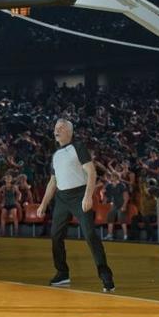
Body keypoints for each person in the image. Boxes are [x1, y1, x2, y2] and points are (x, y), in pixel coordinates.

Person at [35, 119, 116, 292]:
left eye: (61, 128)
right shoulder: (56, 155)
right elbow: (52, 181)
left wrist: (88, 196)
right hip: (62, 198)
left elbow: (92, 172)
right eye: (56, 128)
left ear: (70, 132)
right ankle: (62, 273)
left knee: (89, 235)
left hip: (79, 194)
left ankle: (105, 274)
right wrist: (43, 204)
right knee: (56, 236)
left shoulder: (78, 147)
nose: (57, 130)